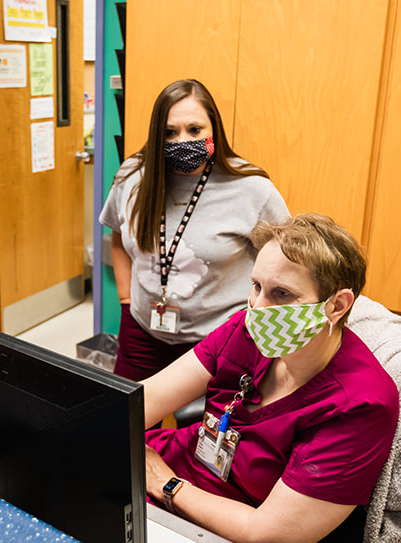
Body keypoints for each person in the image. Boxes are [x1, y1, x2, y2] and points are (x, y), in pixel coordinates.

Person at [142, 213, 399, 543]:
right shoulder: (243, 331)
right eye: (256, 286)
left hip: (217, 530)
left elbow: (267, 537)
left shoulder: (361, 404)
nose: (257, 308)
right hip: (167, 467)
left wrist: (164, 483)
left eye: (281, 294)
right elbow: (142, 400)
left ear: (337, 305)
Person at [99, 79, 289, 381]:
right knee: (129, 423)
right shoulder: (133, 175)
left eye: (195, 130)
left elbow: (284, 263)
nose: (182, 140)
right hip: (143, 332)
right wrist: (125, 301)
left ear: (214, 130)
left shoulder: (252, 189)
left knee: (211, 428)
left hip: (221, 337)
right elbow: (119, 238)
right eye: (170, 132)